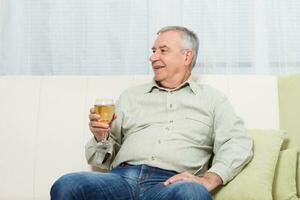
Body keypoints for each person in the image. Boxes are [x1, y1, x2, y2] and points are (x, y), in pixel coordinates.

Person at [50, 26, 253, 200]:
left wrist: (210, 179)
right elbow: (99, 158)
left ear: (187, 56)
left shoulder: (212, 99)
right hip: (120, 179)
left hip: (170, 185)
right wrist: (101, 137)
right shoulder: (131, 96)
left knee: (193, 192)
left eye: (163, 50)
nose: (153, 57)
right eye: (153, 50)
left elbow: (237, 142)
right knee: (68, 184)